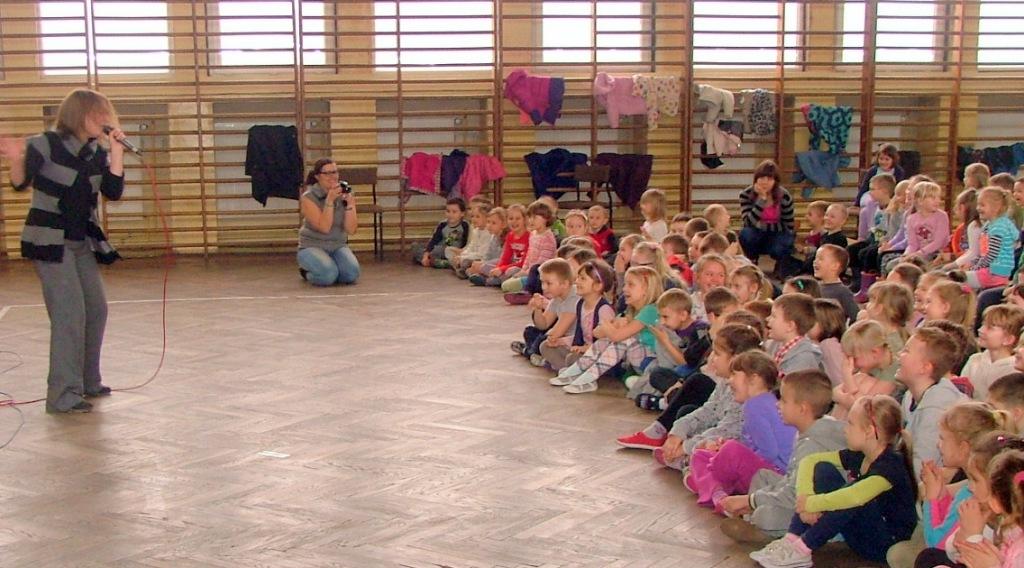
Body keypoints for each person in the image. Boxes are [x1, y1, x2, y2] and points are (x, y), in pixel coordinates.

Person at [0, 88, 128, 414]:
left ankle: (87, 381)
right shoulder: (45, 144)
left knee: (95, 310)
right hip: (49, 241)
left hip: (82, 241)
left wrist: (116, 151)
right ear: (80, 115)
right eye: (99, 114)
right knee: (69, 315)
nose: (105, 119)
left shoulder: (95, 151)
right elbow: (20, 183)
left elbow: (113, 191)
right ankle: (62, 395)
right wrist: (15, 159)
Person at [750, 395, 918, 568]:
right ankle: (791, 539)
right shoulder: (861, 455)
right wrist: (805, 498)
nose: (845, 429)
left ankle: (803, 548)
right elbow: (810, 461)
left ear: (869, 431)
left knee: (851, 493)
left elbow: (855, 497)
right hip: (862, 535)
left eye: (850, 423)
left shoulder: (890, 465)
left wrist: (811, 503)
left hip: (885, 544)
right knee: (823, 470)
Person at [719, 370, 847, 544]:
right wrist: (753, 500)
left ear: (802, 409)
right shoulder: (809, 430)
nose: (777, 404)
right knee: (762, 476)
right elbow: (790, 481)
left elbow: (794, 495)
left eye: (784, 401)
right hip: (799, 495)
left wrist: (750, 500)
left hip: (817, 509)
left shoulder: (812, 445)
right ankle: (753, 520)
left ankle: (768, 530)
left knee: (766, 515)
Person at [297, 158, 362, 285]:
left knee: (351, 274)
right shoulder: (308, 197)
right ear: (317, 176)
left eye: (334, 172)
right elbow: (324, 227)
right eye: (327, 173)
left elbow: (351, 230)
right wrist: (329, 201)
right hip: (313, 245)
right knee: (327, 276)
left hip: (337, 245)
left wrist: (350, 205)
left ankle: (330, 267)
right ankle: (307, 272)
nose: (332, 176)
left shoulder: (344, 193)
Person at [739, 160, 796, 273]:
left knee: (784, 242)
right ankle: (752, 261)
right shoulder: (746, 194)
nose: (765, 182)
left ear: (775, 181)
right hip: (756, 233)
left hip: (778, 233)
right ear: (756, 179)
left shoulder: (785, 196)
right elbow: (748, 222)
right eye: (762, 178)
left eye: (769, 179)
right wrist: (761, 200)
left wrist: (762, 226)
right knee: (746, 234)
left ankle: (781, 264)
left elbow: (788, 225)